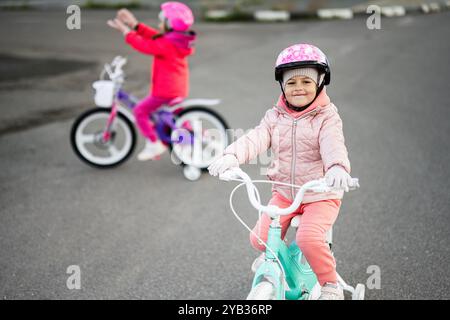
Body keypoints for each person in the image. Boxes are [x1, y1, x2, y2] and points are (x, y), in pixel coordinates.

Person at [208, 43, 357, 300]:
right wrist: (231, 155)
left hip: (319, 194)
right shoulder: (275, 116)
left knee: (309, 238)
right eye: (291, 83)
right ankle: (278, 261)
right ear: (282, 87)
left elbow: (334, 145)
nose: (298, 87)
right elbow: (255, 138)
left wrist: (337, 169)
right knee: (259, 239)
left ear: (321, 83)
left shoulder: (326, 117)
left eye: (306, 81)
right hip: (286, 194)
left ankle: (331, 284)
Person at [107, 2, 196, 161]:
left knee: (140, 111)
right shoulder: (175, 41)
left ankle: (154, 143)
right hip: (177, 88)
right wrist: (134, 24)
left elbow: (145, 45)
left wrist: (127, 32)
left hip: (166, 91)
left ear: (169, 25)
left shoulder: (167, 44)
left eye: (162, 21)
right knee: (175, 117)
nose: (159, 24)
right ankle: (192, 139)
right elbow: (154, 36)